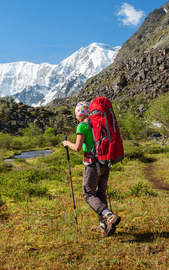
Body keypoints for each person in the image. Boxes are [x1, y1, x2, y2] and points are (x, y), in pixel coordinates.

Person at [62, 101, 121, 237]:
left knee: (88, 194)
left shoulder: (82, 126)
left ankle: (109, 215)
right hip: (105, 163)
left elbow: (77, 147)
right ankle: (103, 226)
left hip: (92, 164)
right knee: (100, 194)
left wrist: (66, 143)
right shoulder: (98, 123)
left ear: (80, 114)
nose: (76, 116)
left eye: (76, 113)